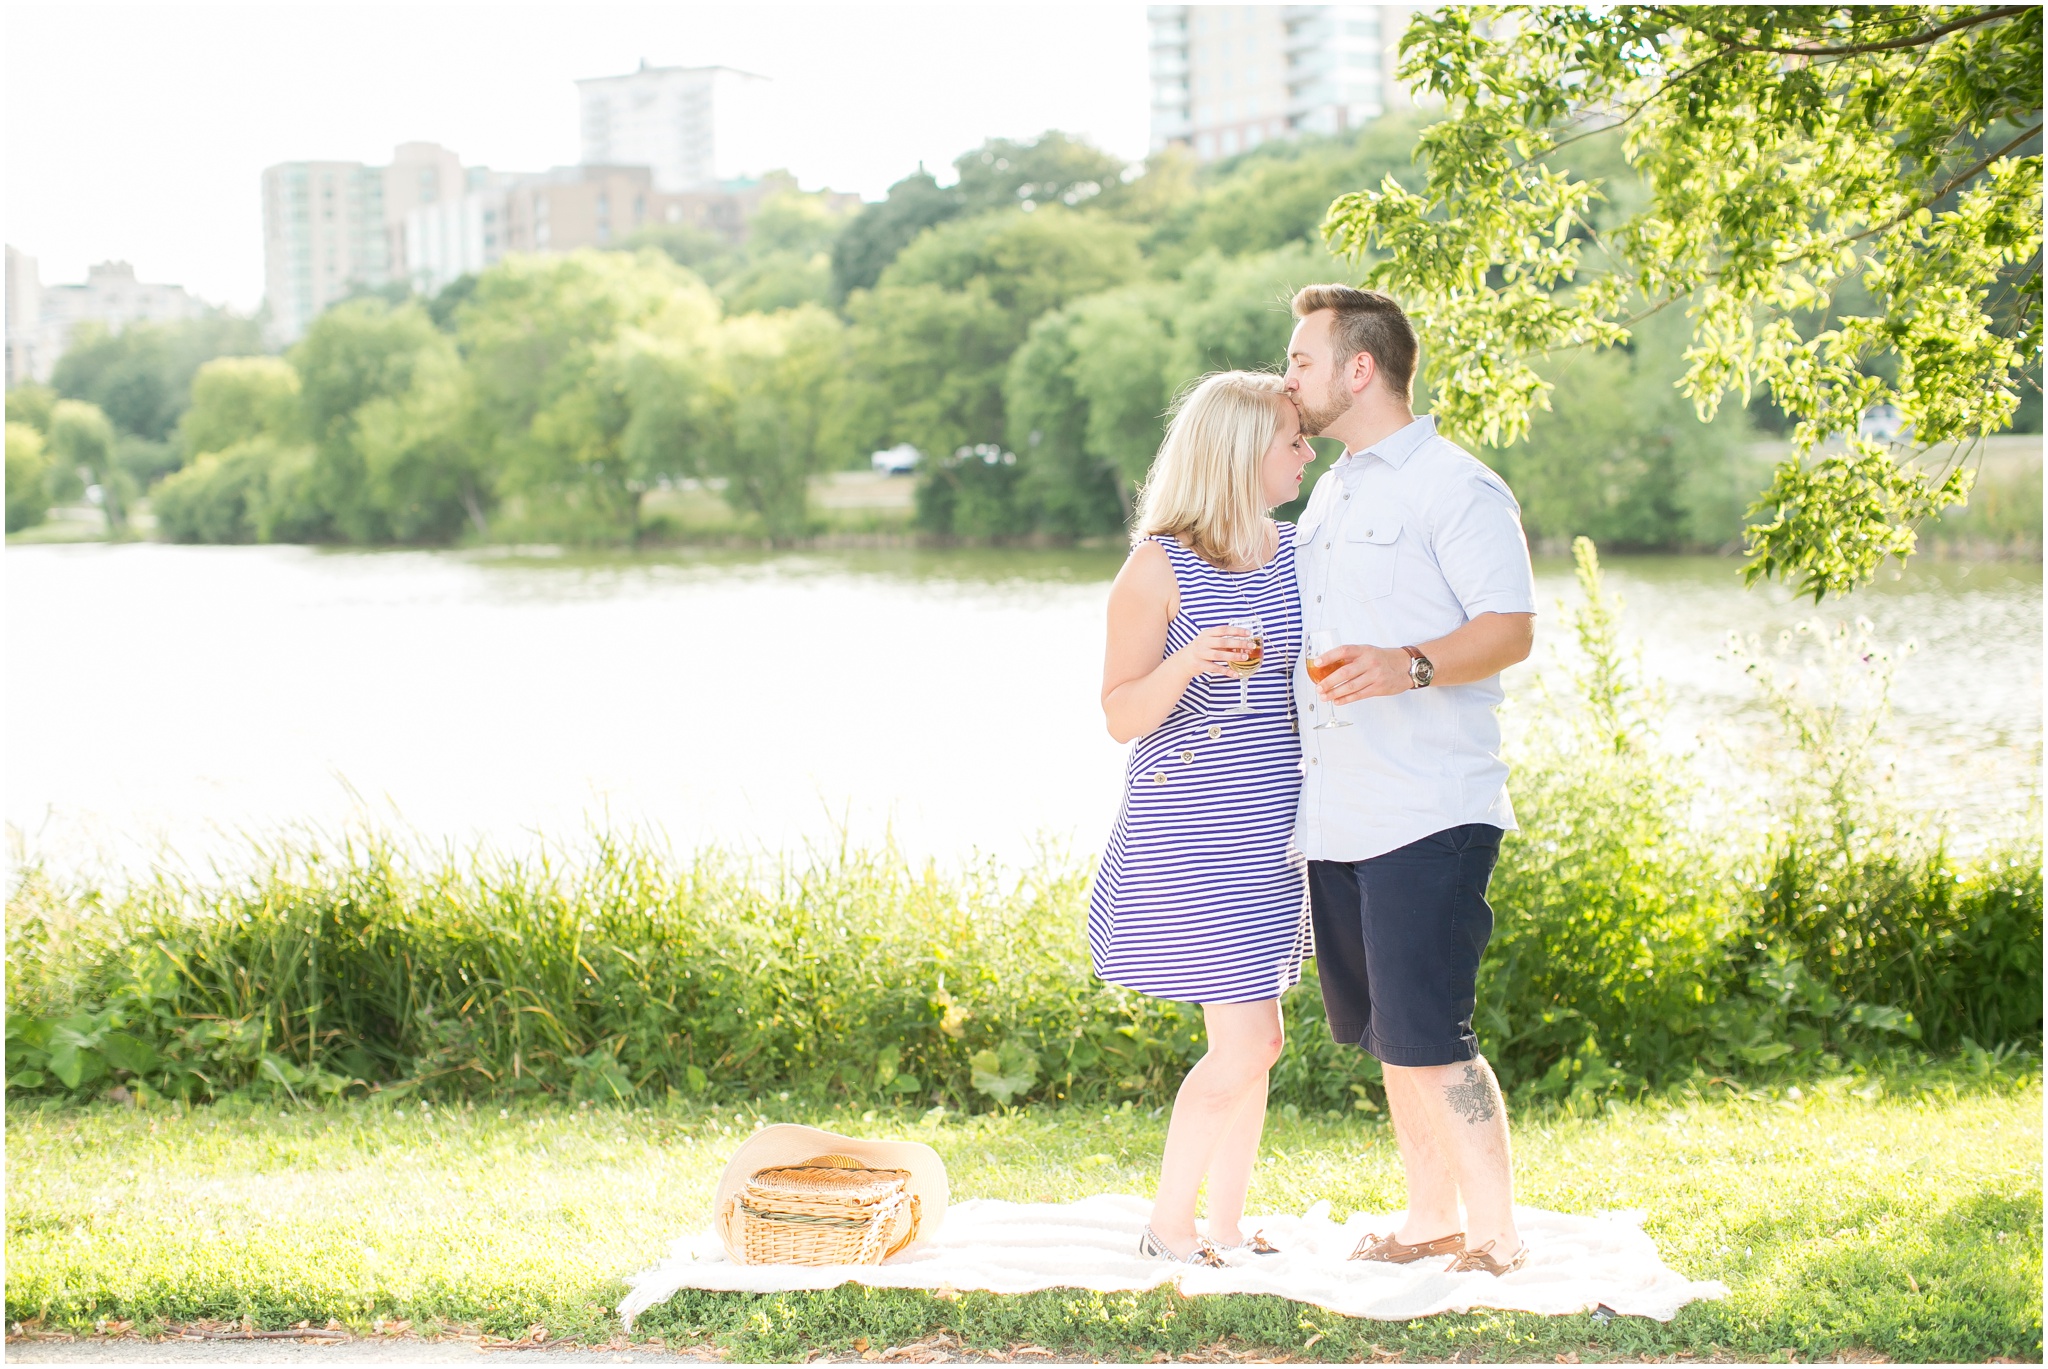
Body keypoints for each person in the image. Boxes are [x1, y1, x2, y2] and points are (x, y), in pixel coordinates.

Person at [1281, 284, 1539, 1277]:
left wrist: (1409, 663)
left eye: (1301, 359)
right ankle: (1430, 1218)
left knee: (1434, 1029)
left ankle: (1495, 1236)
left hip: (1429, 808)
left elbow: (1507, 630)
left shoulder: (1454, 484)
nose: (1288, 377)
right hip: (1339, 813)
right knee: (1392, 1034)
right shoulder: (1332, 490)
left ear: (1359, 368)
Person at [1088, 370, 1319, 1266]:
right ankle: (1168, 1228)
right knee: (1250, 1037)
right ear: (1238, 453)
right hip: (1192, 824)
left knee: (1260, 1040)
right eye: (1293, 440)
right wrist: (1188, 661)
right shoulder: (1158, 567)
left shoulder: (1299, 550)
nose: (1308, 453)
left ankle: (1222, 1225)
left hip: (1271, 823)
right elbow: (1119, 715)